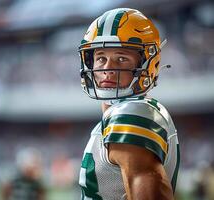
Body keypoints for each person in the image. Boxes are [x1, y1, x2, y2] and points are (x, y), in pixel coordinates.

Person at [77, 8, 180, 199]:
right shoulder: (122, 114)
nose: (107, 68)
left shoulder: (132, 113)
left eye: (121, 58)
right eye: (100, 58)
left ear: (148, 64)